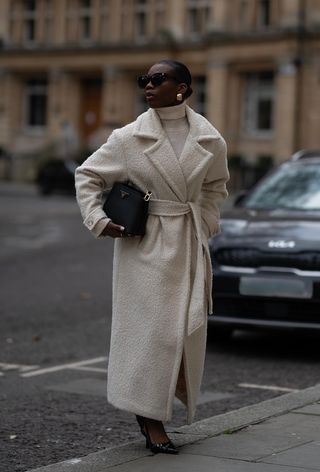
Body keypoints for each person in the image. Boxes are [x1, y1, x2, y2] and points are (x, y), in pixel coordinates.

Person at [75, 60, 229, 455]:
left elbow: (216, 187)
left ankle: (158, 405)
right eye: (144, 80)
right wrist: (98, 219)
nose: (148, 85)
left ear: (182, 88)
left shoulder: (209, 139)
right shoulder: (129, 138)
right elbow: (88, 175)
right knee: (150, 334)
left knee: (181, 330)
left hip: (188, 240)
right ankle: (149, 417)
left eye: (158, 79)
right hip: (144, 246)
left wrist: (207, 222)